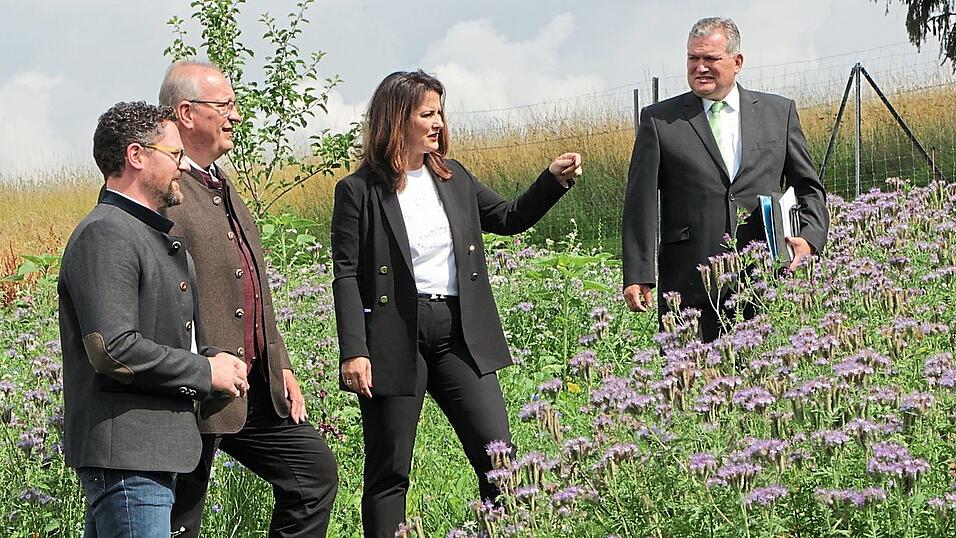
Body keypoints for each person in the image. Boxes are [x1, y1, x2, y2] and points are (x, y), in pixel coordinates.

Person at [331, 69, 581, 537]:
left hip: (459, 332)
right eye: (427, 113)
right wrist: (354, 350)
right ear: (397, 118)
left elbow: (509, 218)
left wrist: (550, 181)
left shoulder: (454, 177)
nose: (438, 123)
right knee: (389, 473)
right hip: (393, 336)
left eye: (440, 112)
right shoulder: (357, 190)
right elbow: (345, 273)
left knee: (499, 459)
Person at [159, 61, 338, 538]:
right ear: (187, 113)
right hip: (193, 390)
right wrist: (196, 365)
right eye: (226, 106)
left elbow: (251, 284)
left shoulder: (223, 185)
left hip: (252, 383)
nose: (236, 116)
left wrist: (279, 363)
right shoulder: (163, 188)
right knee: (180, 521)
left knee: (312, 476)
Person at [59, 101, 248, 537]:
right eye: (174, 154)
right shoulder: (106, 233)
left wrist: (216, 357)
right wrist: (204, 370)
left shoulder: (149, 234)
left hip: (152, 456)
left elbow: (168, 335)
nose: (182, 166)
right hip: (129, 458)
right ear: (137, 156)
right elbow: (112, 349)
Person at [621, 17, 830, 342]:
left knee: (770, 385)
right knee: (687, 387)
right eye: (693, 58)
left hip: (767, 282)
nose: (700, 67)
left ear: (737, 62)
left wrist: (810, 237)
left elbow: (809, 189)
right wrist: (638, 273)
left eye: (710, 59)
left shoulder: (779, 113)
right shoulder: (660, 121)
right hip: (689, 288)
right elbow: (640, 204)